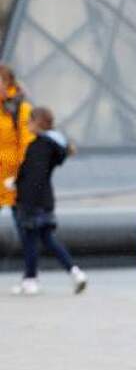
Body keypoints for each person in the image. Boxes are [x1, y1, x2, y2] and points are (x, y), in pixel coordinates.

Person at [8, 107, 87, 295]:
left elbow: (32, 175)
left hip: (31, 201)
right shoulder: (53, 146)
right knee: (46, 239)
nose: (27, 125)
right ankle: (75, 272)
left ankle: (30, 280)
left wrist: (17, 185)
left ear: (39, 123)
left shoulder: (38, 146)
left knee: (30, 240)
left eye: (29, 121)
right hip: (46, 200)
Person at [1, 65, 34, 237]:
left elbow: (26, 144)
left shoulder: (21, 109)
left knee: (24, 227)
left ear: (7, 83)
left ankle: (32, 263)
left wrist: (22, 175)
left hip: (13, 176)